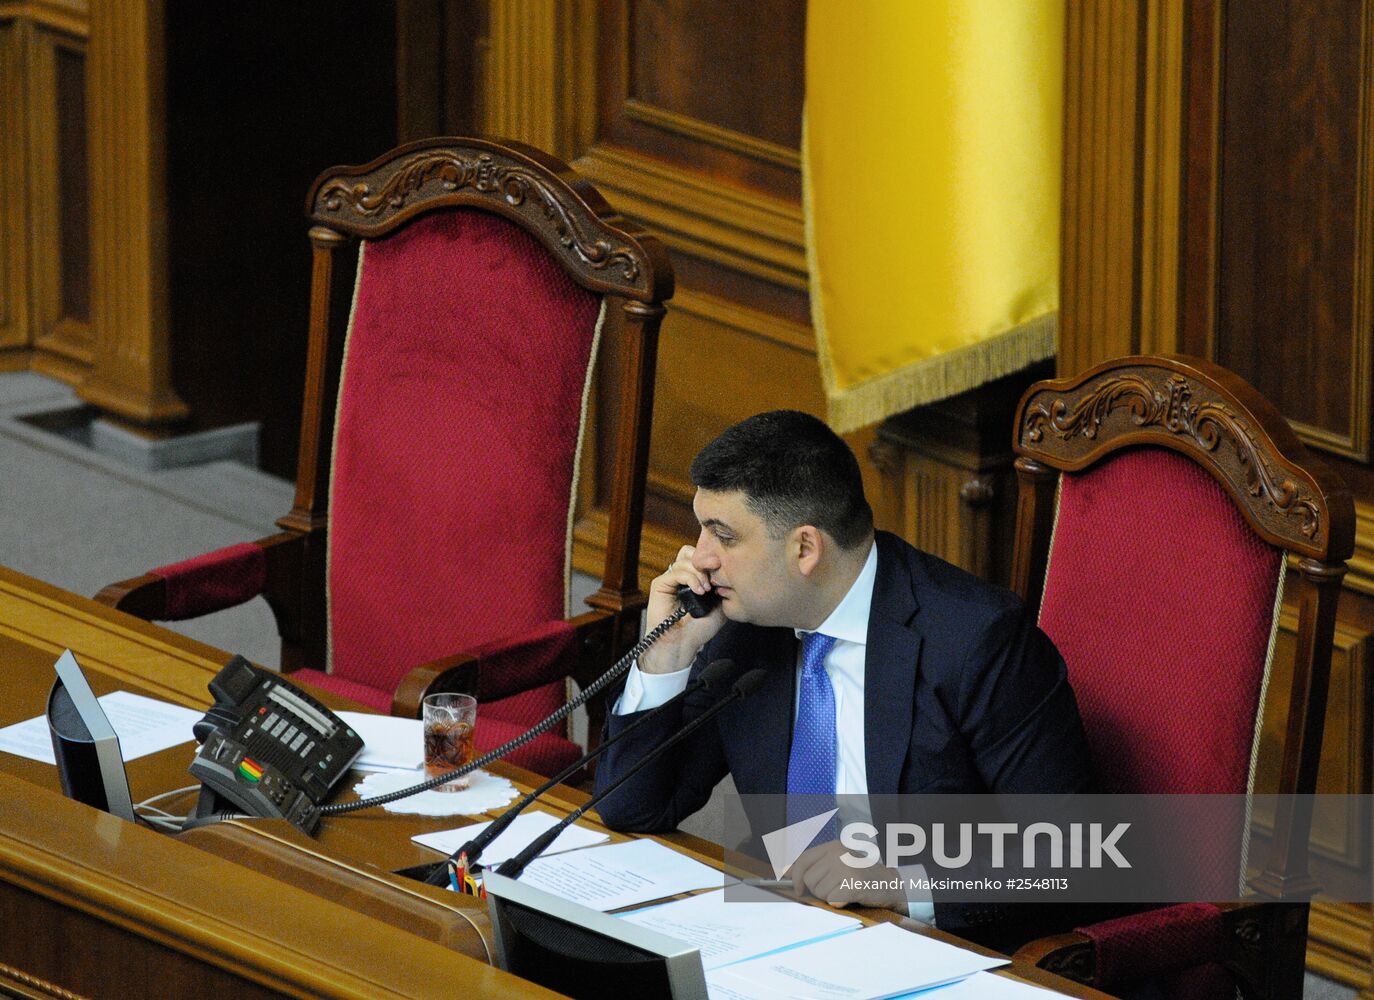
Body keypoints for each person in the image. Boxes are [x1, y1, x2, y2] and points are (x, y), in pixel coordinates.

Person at [593, 410, 1094, 947]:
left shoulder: (975, 639)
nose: (700, 559)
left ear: (805, 548)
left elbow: (1070, 854)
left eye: (723, 535)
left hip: (941, 950)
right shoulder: (742, 626)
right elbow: (635, 807)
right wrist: (666, 654)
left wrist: (904, 883)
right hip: (781, 939)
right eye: (701, 528)